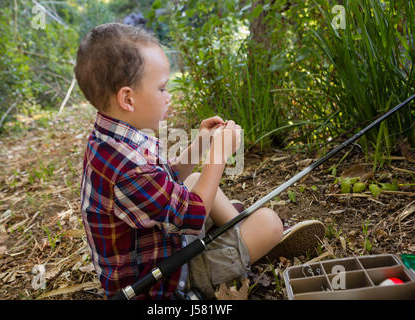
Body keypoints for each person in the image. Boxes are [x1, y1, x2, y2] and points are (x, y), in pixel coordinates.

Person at [75, 22, 325, 300]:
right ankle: (257, 241)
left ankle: (247, 241)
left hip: (165, 246)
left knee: (193, 180)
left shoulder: (113, 139)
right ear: (128, 99)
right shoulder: (127, 167)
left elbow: (166, 177)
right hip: (162, 281)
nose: (168, 97)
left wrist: (200, 144)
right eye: (162, 89)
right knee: (269, 222)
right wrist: (218, 155)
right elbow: (192, 216)